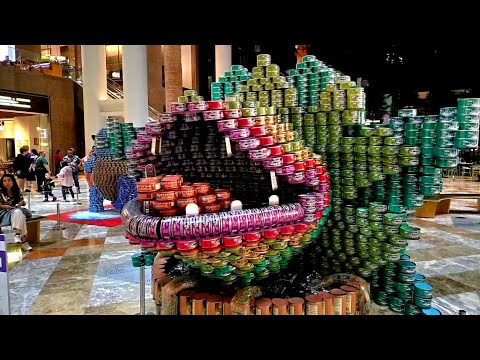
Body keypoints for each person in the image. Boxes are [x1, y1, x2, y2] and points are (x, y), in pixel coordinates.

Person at [0, 174, 33, 251]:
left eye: (9, 180)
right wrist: (5, 206)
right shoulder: (0, 191)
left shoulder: (16, 190)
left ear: (12, 181)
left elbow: (21, 201)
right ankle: (24, 242)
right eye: (4, 181)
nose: (7, 182)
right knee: (21, 216)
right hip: (4, 212)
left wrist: (21, 203)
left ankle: (18, 235)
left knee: (18, 212)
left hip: (15, 210)